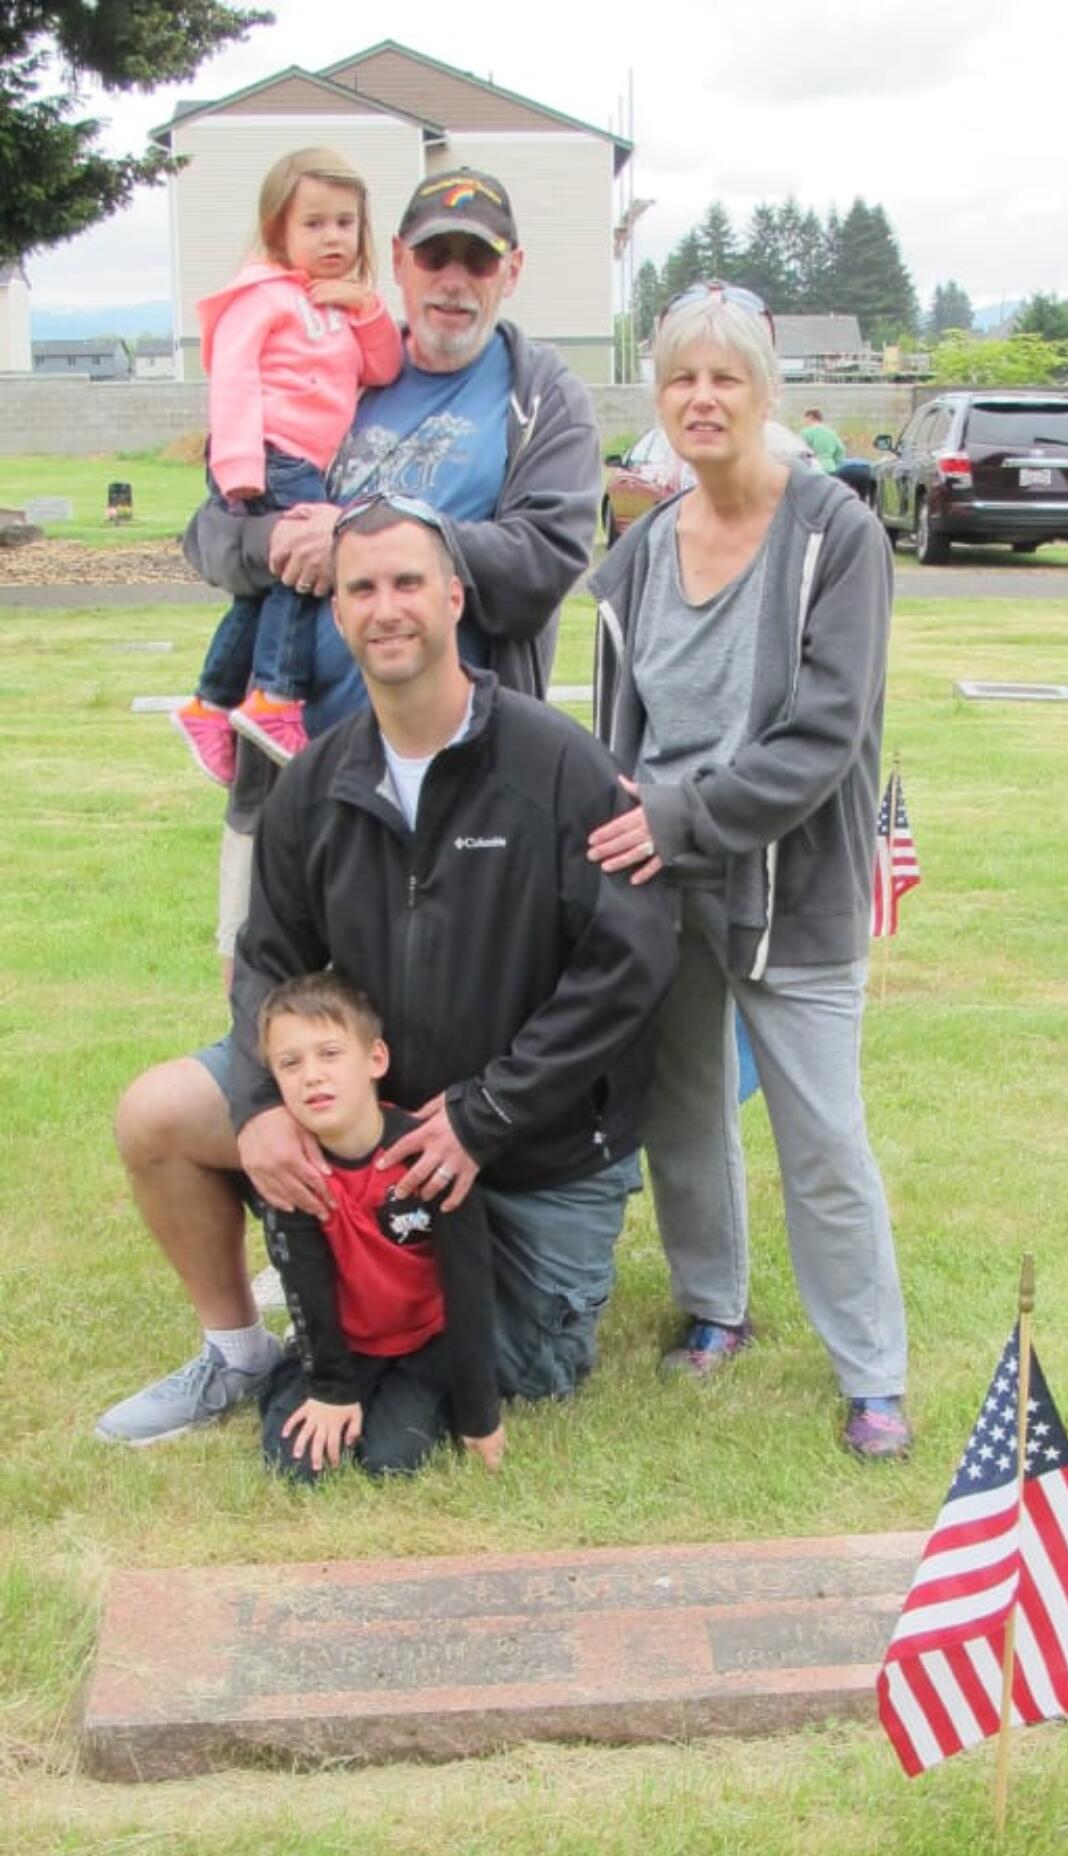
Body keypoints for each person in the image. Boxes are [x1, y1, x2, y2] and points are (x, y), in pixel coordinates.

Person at [97, 497, 676, 1446]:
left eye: (408, 582)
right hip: (369, 1124)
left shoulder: (559, 766)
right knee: (156, 1115)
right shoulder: (315, 785)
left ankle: (364, 1281)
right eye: (361, 587)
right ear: (337, 613)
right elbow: (267, 964)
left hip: (529, 1147)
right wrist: (260, 1110)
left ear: (455, 598)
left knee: (522, 1376)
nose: (386, 607)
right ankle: (242, 1349)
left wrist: (488, 1112)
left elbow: (632, 960)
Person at [587, 282, 911, 1460]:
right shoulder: (630, 559)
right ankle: (714, 1304)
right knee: (682, 1111)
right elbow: (614, 736)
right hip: (662, 884)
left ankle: (871, 1373)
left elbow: (823, 741)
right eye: (681, 377)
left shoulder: (836, 536)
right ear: (658, 398)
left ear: (767, 394)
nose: (703, 397)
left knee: (821, 1133)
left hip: (793, 884)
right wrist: (625, 844)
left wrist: (677, 816)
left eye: (727, 377)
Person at [184, 164, 603, 971]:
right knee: (285, 1041)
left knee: (450, 1036)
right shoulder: (329, 362)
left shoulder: (542, 397)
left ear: (511, 272)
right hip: (295, 777)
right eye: (434, 256)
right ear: (399, 258)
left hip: (468, 797)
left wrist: (361, 536)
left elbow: (542, 563)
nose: (453, 282)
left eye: (477, 261)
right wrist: (271, 544)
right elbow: (209, 537)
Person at [173, 149, 403, 783]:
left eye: (344, 223)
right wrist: (239, 465)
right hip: (271, 455)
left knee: (273, 581)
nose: (332, 237)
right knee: (309, 568)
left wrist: (365, 306)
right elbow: (234, 380)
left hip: (305, 462)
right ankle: (275, 694)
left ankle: (212, 701)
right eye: (314, 224)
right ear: (279, 230)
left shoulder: (337, 305)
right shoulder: (263, 297)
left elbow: (382, 367)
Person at [256, 971, 504, 1482]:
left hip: (423, 1345)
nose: (312, 1076)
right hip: (344, 1343)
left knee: (393, 1462)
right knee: (297, 1467)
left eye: (329, 1054)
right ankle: (299, 1382)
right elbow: (305, 1286)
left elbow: (470, 1286)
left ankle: (417, 1402)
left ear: (375, 1059)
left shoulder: (429, 1152)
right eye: (290, 1063)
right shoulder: (290, 1170)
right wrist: (331, 1390)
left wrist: (481, 1416)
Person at [799, 406, 846, 475]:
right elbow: (841, 449)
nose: (805, 421)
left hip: (813, 468)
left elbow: (801, 451)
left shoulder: (805, 432)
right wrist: (834, 462)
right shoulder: (831, 432)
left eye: (805, 418)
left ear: (810, 417)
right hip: (830, 467)